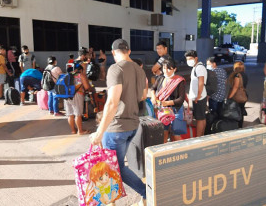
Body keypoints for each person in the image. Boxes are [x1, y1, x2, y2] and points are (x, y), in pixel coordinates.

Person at [90, 39, 147, 206]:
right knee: (115, 166)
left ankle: (145, 193)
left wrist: (99, 132)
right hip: (133, 126)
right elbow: (143, 96)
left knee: (114, 168)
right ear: (128, 51)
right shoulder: (139, 70)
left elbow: (112, 102)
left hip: (117, 128)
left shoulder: (116, 69)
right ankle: (112, 201)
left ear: (113, 52)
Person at [151, 59, 186, 143]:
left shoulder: (179, 81)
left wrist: (166, 103)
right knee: (164, 134)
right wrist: (153, 97)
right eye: (164, 68)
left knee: (177, 135)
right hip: (163, 111)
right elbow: (153, 88)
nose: (165, 71)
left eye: (169, 68)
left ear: (174, 69)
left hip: (176, 110)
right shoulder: (160, 78)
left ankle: (183, 153)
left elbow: (181, 100)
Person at [64, 61, 91, 135]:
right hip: (77, 95)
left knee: (70, 114)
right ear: (80, 69)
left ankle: (73, 130)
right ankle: (80, 131)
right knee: (78, 114)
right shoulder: (80, 75)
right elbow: (87, 87)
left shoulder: (67, 75)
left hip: (66, 95)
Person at [184, 50, 207, 137]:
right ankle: (201, 135)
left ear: (196, 58)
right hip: (199, 96)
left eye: (190, 58)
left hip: (199, 97)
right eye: (187, 59)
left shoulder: (199, 68)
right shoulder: (196, 67)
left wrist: (198, 96)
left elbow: (201, 82)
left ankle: (198, 137)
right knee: (201, 117)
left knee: (199, 119)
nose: (188, 61)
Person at [227, 61, 248, 128]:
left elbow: (235, 87)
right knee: (241, 111)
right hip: (243, 95)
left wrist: (230, 97)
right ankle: (240, 126)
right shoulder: (244, 75)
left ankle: (236, 126)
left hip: (237, 96)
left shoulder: (237, 75)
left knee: (235, 111)